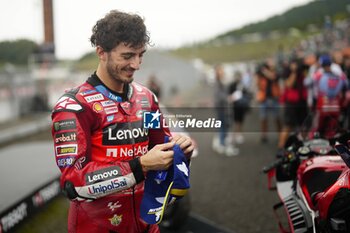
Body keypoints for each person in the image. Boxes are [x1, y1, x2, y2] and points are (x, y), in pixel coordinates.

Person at [51, 10, 194, 233]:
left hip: (147, 223)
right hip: (96, 227)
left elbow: (162, 144)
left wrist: (179, 148)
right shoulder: (74, 106)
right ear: (102, 53)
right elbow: (73, 184)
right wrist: (141, 165)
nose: (136, 64)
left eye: (141, 55)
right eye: (127, 56)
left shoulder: (147, 99)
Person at [212, 64, 239, 156]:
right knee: (223, 126)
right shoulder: (217, 83)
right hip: (221, 108)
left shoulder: (221, 82)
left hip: (223, 107)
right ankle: (222, 143)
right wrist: (228, 98)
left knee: (223, 126)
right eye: (220, 70)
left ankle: (221, 143)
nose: (222, 72)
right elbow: (219, 96)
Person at [255, 59, 281, 143]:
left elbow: (273, 76)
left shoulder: (275, 72)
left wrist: (264, 71)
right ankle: (264, 135)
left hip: (274, 98)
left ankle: (280, 135)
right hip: (264, 98)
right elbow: (257, 83)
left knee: (276, 118)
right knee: (263, 118)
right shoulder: (261, 73)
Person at [228, 70, 251, 144]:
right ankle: (235, 135)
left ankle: (239, 134)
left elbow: (247, 94)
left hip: (241, 106)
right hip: (235, 106)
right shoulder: (232, 85)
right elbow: (229, 96)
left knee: (240, 120)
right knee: (235, 121)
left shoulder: (243, 85)